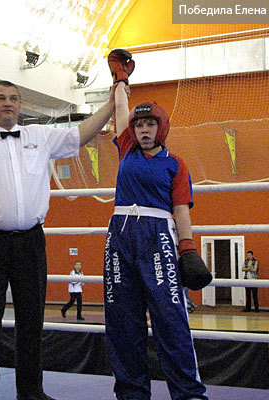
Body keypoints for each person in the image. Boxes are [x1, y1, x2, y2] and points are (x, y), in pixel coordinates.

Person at [0, 80, 117, 400]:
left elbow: (81, 134)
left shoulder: (39, 136)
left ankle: (31, 392)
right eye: (1, 97)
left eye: (14, 98)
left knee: (31, 320)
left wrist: (111, 104)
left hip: (30, 242)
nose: (8, 102)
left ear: (20, 104)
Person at [102, 50, 208, 400]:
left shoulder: (175, 163)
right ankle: (131, 394)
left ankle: (189, 393)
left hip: (158, 236)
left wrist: (187, 248)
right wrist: (120, 80)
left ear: (160, 128)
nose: (143, 129)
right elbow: (120, 110)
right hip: (120, 235)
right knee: (122, 320)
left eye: (149, 124)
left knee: (169, 317)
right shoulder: (126, 150)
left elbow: (181, 209)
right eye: (139, 125)